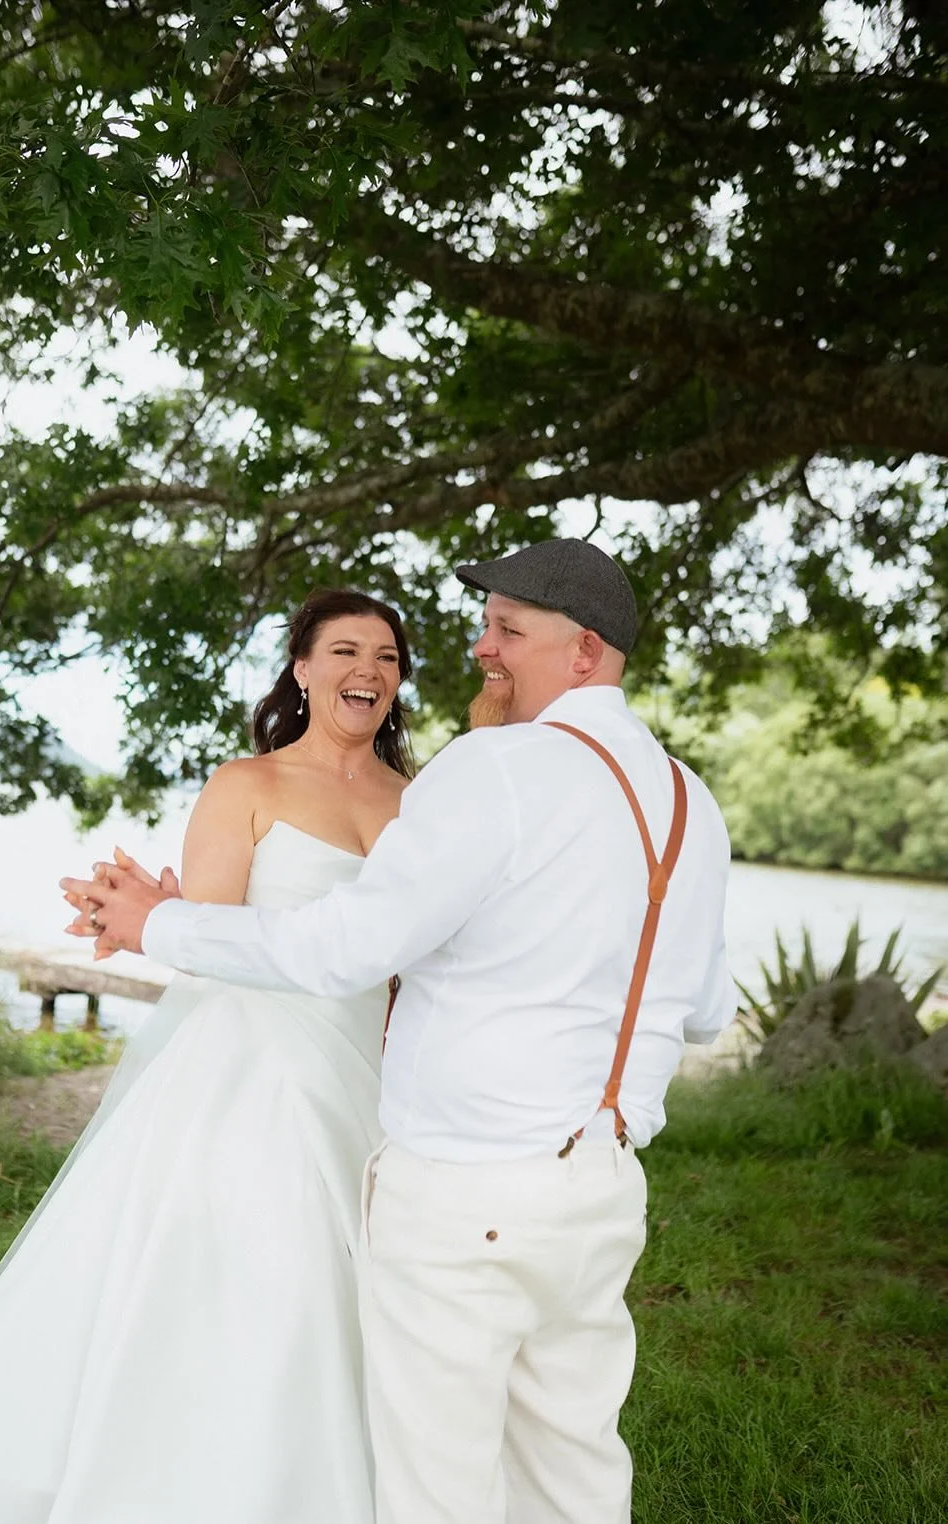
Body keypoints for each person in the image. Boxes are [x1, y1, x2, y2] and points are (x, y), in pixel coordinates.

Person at [63, 537, 738, 1524]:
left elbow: (345, 949)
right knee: (574, 1469)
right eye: (483, 626)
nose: (483, 649)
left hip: (468, 1193)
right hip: (602, 1187)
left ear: (584, 651)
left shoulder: (494, 769)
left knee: (439, 1485)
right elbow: (707, 1007)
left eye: (508, 629)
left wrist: (156, 924)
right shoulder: (688, 801)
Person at [0, 587, 414, 1524]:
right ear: (301, 668)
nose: (365, 670)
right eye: (343, 650)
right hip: (256, 1062)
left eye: (383, 654)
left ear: (398, 679)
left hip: (367, 1070)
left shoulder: (417, 802)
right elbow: (200, 934)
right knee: (262, 1254)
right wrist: (150, 916)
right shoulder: (245, 785)